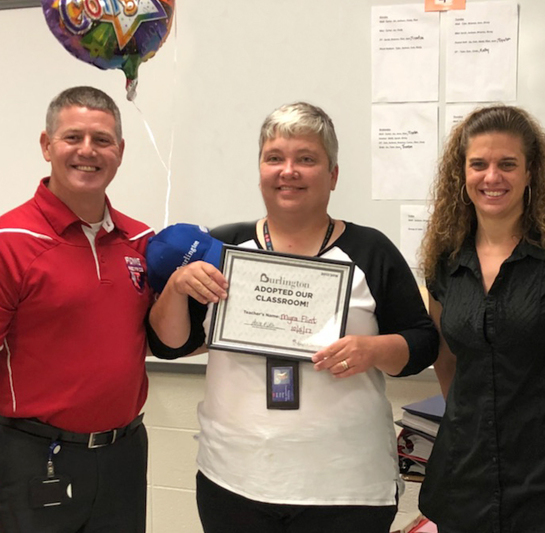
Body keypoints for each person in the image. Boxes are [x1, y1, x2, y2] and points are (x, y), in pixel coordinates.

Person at [146, 102, 438, 533]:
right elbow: (170, 346)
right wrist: (176, 287)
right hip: (235, 482)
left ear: (333, 175)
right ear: (260, 169)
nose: (289, 170)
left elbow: (421, 344)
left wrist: (374, 349)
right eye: (275, 158)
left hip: (346, 488)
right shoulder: (222, 247)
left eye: (307, 159)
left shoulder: (371, 251)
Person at [417, 105, 545, 533]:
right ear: (462, 174)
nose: (492, 177)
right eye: (479, 164)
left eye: (507, 164)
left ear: (531, 173)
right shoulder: (446, 260)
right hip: (465, 474)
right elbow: (448, 362)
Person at [0, 86, 153, 532]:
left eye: (102, 140)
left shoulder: (143, 242)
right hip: (32, 459)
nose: (88, 151)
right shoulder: (9, 240)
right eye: (73, 138)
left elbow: (166, 337)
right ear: (47, 146)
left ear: (120, 151)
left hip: (124, 455)